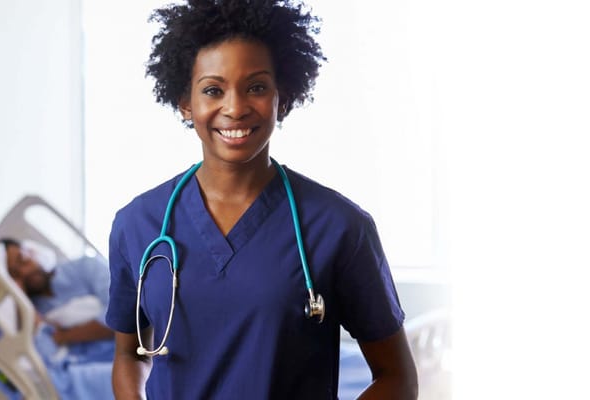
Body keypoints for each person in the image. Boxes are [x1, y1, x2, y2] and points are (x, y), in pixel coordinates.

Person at [104, 1, 418, 399]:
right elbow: (130, 355)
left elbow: (396, 377)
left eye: (256, 87)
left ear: (281, 98)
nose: (234, 108)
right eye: (213, 90)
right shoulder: (137, 224)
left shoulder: (339, 226)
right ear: (186, 102)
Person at [0, 238, 115, 365]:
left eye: (23, 260)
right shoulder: (32, 316)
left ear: (31, 252)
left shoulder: (87, 267)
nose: (25, 273)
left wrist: (65, 336)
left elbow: (123, 314)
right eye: (15, 275)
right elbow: (50, 360)